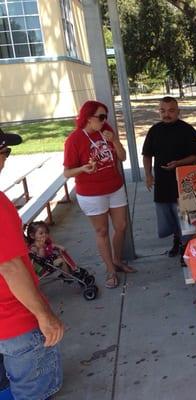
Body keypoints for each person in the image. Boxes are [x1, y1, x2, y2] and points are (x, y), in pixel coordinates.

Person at [0, 128, 64, 399]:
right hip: (15, 321)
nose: (5, 159)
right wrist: (44, 316)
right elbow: (10, 267)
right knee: (33, 392)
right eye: (4, 152)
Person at [64, 100, 136, 290]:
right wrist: (83, 168)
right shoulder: (74, 139)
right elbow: (67, 172)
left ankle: (117, 260)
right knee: (102, 231)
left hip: (114, 187)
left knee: (121, 226)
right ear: (88, 118)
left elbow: (122, 157)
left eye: (106, 116)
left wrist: (114, 140)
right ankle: (110, 270)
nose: (105, 120)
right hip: (91, 193)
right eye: (101, 117)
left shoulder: (106, 130)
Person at [142, 96, 196, 260]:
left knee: (184, 216)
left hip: (184, 181)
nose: (166, 114)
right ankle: (177, 240)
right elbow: (147, 155)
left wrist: (179, 163)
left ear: (178, 111)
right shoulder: (154, 130)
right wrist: (148, 175)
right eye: (163, 110)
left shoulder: (187, 130)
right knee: (167, 216)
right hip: (162, 181)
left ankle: (187, 246)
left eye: (171, 110)